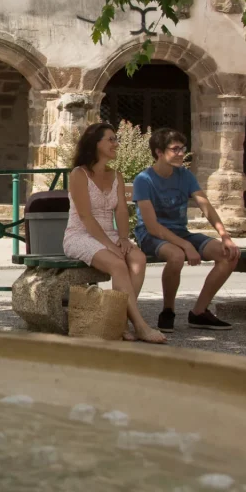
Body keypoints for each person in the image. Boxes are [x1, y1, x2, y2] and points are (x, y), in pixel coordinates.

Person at [63, 122, 166, 343]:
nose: (116, 144)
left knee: (137, 258)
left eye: (116, 139)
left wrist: (122, 238)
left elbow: (121, 210)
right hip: (80, 235)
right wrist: (109, 246)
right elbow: (85, 217)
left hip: (109, 235)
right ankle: (140, 325)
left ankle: (119, 322)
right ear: (95, 143)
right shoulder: (78, 174)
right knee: (118, 264)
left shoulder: (116, 175)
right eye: (111, 139)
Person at [132, 128, 241, 333]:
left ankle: (199, 312)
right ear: (159, 152)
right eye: (175, 149)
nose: (182, 153)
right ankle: (168, 311)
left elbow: (205, 205)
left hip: (181, 233)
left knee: (230, 255)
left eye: (183, 148)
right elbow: (152, 226)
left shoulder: (185, 175)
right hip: (151, 235)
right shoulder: (144, 179)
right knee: (176, 256)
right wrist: (185, 245)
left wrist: (225, 236)